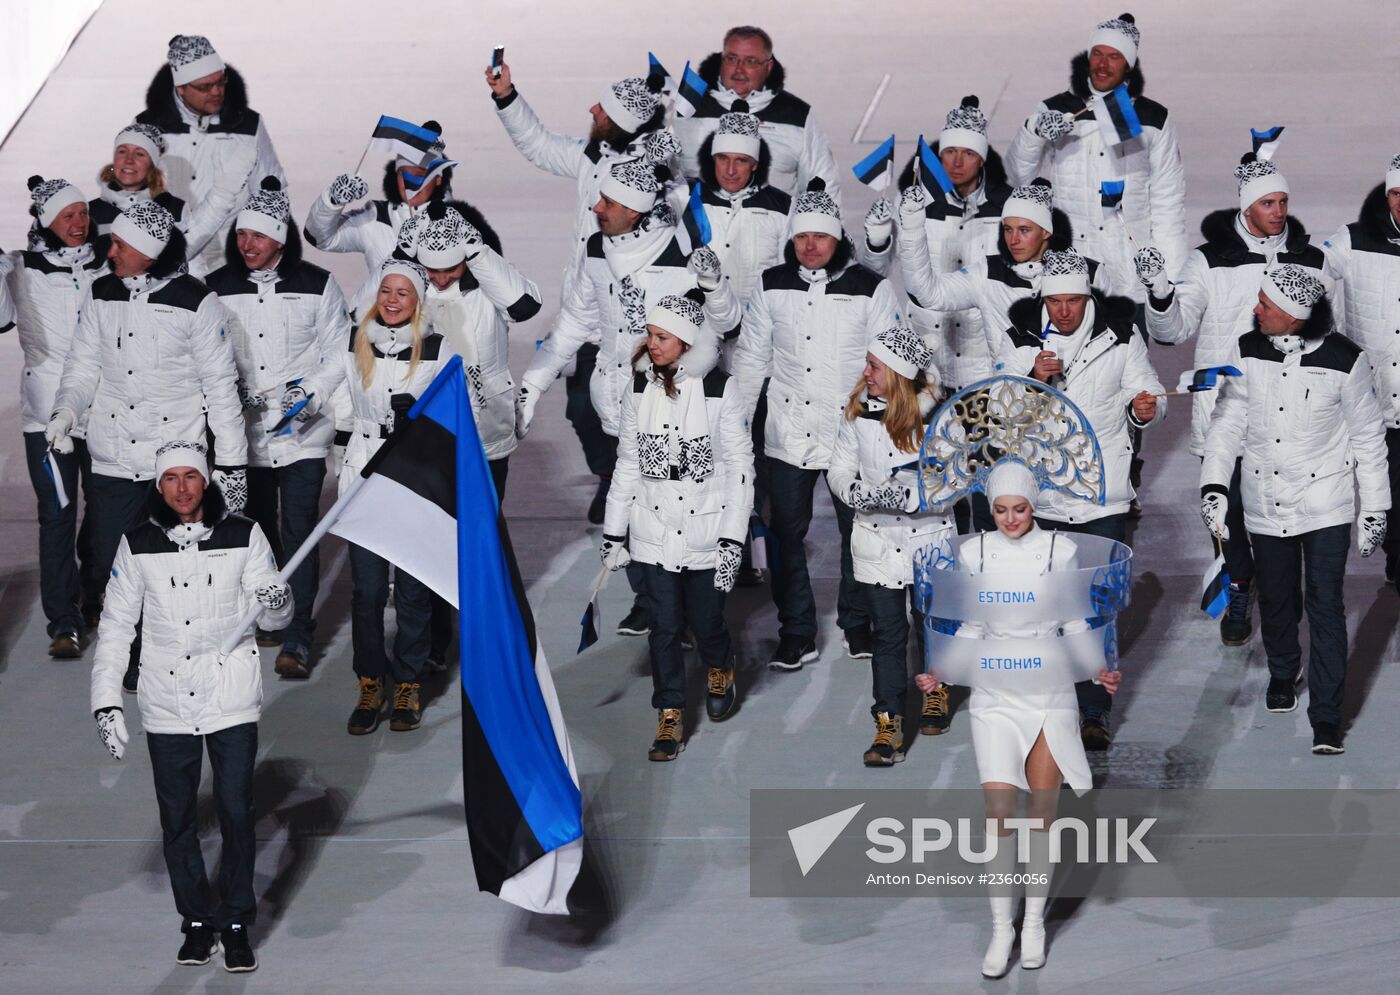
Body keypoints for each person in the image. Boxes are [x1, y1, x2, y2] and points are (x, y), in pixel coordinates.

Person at [89, 440, 290, 974]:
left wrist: (278, 603)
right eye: (171, 479)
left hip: (230, 695)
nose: (182, 488)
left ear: (207, 482)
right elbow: (114, 629)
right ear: (159, 486)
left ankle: (237, 922)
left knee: (236, 811)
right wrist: (105, 702)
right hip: (166, 699)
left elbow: (272, 615)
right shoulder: (136, 545)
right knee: (177, 818)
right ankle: (198, 921)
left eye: (191, 477)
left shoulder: (244, 534)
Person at [914, 460, 1120, 977]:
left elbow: (1075, 618)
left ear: (1034, 506)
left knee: (1041, 817)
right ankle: (1001, 927)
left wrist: (1099, 668)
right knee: (1000, 817)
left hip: (1049, 691)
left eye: (1020, 509)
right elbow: (970, 623)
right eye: (1001, 510)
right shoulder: (975, 552)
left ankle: (1033, 925)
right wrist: (941, 669)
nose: (1010, 519)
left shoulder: (1061, 549)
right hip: (995, 695)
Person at [517, 160, 740, 637]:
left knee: (683, 505)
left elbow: (716, 332)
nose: (596, 208)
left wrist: (674, 390)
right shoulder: (596, 249)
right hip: (616, 403)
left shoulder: (680, 252)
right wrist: (533, 384)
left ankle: (698, 613)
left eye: (608, 203)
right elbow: (576, 322)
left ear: (636, 212)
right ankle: (653, 600)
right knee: (637, 508)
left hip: (676, 408)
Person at [48, 199, 248, 692]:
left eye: (119, 244)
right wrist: (65, 413)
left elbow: (220, 387)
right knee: (111, 562)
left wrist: (233, 465)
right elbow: (82, 367)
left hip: (173, 458)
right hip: (114, 456)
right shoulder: (100, 293)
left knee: (173, 565)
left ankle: (166, 659)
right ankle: (131, 656)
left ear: (149, 252)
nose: (109, 249)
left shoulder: (196, 302)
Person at [1137, 153, 1327, 645]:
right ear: (1246, 207)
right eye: (1268, 202)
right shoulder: (1210, 260)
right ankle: (1239, 587)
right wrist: (1160, 293)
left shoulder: (1310, 260)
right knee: (1229, 514)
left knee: (1285, 511)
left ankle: (1280, 585)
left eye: (1283, 201)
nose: (1279, 211)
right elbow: (1173, 329)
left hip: (1293, 413)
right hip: (1226, 411)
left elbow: (1331, 333)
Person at [1200, 265, 1389, 755]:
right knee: (1278, 598)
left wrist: (1376, 508)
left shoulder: (1346, 360)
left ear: (1295, 318)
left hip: (1325, 503)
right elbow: (1226, 425)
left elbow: (1369, 439)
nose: (1255, 310)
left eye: (1265, 305)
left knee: (1325, 603)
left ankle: (1326, 716)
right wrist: (1215, 486)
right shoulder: (1246, 349)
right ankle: (1284, 671)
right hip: (1264, 499)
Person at [485, 61, 672, 522]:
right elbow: (542, 147)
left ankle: (648, 503)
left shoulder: (658, 180)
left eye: (602, 109)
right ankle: (611, 479)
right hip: (590, 310)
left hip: (647, 333)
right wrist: (507, 97)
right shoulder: (594, 155)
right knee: (585, 410)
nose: (592, 110)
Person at [997, 248, 1163, 747]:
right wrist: (1034, 380)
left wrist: (1144, 410)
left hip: (1102, 499)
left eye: (1073, 300)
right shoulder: (1018, 341)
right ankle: (1047, 708)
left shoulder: (1121, 335)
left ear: (1087, 296)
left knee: (1095, 611)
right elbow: (999, 418)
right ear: (1042, 298)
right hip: (1044, 499)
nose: (1063, 310)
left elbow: (1147, 393)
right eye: (1055, 301)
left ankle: (1093, 711)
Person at [732, 183, 900, 670]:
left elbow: (889, 363)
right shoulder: (770, 284)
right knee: (786, 534)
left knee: (860, 532)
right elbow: (751, 361)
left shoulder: (871, 288)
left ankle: (857, 623)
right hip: (787, 432)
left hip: (852, 432)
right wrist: (739, 428)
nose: (810, 245)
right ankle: (797, 632)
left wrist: (879, 428)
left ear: (838, 239)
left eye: (820, 237)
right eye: (802, 236)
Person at [205, 177, 351, 679]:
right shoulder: (217, 287)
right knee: (256, 530)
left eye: (258, 237)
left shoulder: (317, 283)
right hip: (242, 435)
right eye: (242, 236)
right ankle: (270, 612)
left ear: (281, 240)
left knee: (299, 529)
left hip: (302, 432)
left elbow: (339, 350)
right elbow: (206, 351)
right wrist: (228, 388)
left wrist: (307, 391)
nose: (247, 245)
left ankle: (298, 635)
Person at [600, 293, 754, 760]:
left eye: (662, 337)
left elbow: (739, 468)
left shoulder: (720, 391)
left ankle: (720, 664)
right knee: (663, 626)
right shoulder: (637, 389)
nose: (652, 344)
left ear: (686, 344)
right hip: (653, 528)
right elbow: (627, 463)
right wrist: (613, 532)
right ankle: (669, 713)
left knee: (706, 622)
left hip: (706, 531)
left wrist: (731, 542)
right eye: (649, 334)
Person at [298, 260, 448, 734]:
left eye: (403, 292)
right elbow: (326, 377)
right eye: (387, 290)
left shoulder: (439, 349)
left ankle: (408, 680)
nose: (392, 299)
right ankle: (370, 679)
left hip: (412, 479)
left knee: (411, 590)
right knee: (365, 592)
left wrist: (419, 421)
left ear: (419, 300)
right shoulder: (354, 339)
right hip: (363, 474)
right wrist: (303, 392)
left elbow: (455, 408)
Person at [397, 201, 542, 670]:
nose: (439, 278)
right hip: (429, 437)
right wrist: (404, 250)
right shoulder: (410, 282)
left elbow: (526, 305)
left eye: (451, 266)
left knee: (484, 543)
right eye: (430, 268)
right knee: (434, 542)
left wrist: (477, 249)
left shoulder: (489, 283)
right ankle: (436, 644)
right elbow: (371, 315)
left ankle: (488, 640)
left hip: (486, 435)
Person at [859, 95, 1012, 533]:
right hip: (926, 366)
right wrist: (875, 239)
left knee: (987, 477)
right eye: (949, 152)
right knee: (936, 471)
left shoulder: (1005, 208)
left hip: (983, 364)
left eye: (967, 153)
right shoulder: (916, 201)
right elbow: (877, 271)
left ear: (982, 159)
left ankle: (987, 560)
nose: (957, 161)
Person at [827, 327, 955, 762]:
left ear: (898, 373)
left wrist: (914, 497)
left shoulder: (940, 417)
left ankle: (936, 692)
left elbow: (956, 480)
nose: (865, 372)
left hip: (929, 543)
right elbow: (839, 469)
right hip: (876, 544)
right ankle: (887, 724)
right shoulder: (857, 414)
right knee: (887, 637)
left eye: (874, 365)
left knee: (931, 627)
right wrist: (855, 492)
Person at [1004, 12, 1186, 305]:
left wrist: (1172, 279)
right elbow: (1017, 179)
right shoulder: (1056, 109)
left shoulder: (1153, 118)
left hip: (1130, 277)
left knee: (1131, 351)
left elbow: (1168, 202)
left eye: (1114, 56)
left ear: (1128, 65)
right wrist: (1034, 131)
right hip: (1070, 271)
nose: (1103, 64)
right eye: (1097, 54)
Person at [2, 177, 107, 656]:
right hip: (46, 418)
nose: (79, 223)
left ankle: (92, 588)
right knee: (56, 515)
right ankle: (63, 623)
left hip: (105, 408)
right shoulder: (21, 268)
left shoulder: (107, 263)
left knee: (106, 514)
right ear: (47, 221)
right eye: (69, 215)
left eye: (83, 213)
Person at [897, 178, 1109, 353]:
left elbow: (1118, 344)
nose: (1013, 240)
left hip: (1075, 401)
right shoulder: (988, 274)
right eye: (1008, 229)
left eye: (1024, 230)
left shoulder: (1092, 274)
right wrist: (913, 229)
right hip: (1010, 400)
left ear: (1046, 231)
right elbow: (927, 294)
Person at [135, 35, 285, 276]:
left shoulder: (247, 124)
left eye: (220, 81)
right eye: (205, 87)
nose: (216, 92)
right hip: (171, 260)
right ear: (180, 88)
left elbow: (272, 189)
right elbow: (132, 195)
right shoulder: (148, 126)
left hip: (234, 257)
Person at [1321, 153, 1400, 583]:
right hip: (1375, 397)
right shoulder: (1353, 240)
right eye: (1396, 193)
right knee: (1389, 490)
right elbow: (1316, 270)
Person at [303, 122, 464, 316]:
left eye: (420, 176)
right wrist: (333, 199)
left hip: (441, 337)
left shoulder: (461, 224)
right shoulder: (376, 217)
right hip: (381, 337)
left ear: (438, 178)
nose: (411, 184)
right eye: (405, 174)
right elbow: (320, 238)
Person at [673, 25, 841, 205]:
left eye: (751, 61)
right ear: (722, 59)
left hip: (773, 230)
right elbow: (660, 176)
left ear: (768, 66)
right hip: (698, 230)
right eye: (732, 59)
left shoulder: (798, 116)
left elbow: (824, 187)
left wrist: (827, 228)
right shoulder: (686, 109)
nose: (739, 70)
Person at [87, 123, 211, 256]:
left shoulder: (176, 210)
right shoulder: (87, 212)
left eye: (140, 154)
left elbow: (192, 266)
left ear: (153, 164)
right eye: (122, 151)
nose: (129, 160)